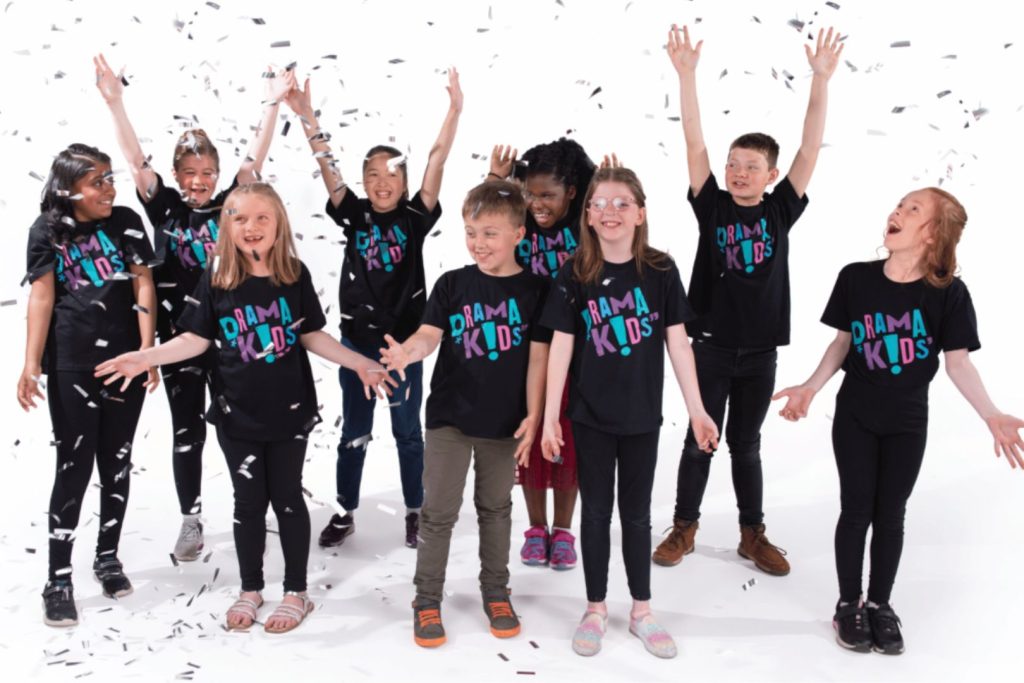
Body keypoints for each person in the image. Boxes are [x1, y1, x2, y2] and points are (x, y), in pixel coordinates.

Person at [95, 183, 394, 634]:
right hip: (236, 412)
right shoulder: (216, 276)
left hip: (289, 411)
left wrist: (360, 363)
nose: (251, 227)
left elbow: (312, 334)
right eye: (240, 219)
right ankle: (251, 588)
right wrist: (144, 355)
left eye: (261, 218)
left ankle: (296, 592)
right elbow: (195, 339)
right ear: (226, 227)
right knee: (248, 502)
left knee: (288, 498)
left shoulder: (294, 273)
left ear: (279, 224)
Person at [772, 188, 1024, 655]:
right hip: (856, 415)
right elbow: (844, 343)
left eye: (913, 211)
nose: (897, 212)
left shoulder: (948, 294)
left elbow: (958, 364)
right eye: (899, 205)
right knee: (856, 509)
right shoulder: (856, 278)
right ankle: (849, 603)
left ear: (933, 236)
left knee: (891, 514)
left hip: (908, 420)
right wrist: (810, 387)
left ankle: (881, 605)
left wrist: (991, 414)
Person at [653, 25, 843, 575]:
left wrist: (820, 80)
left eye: (750, 167)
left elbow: (810, 145)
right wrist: (686, 76)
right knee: (699, 439)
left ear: (772, 175)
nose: (737, 173)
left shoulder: (781, 209)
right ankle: (684, 527)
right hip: (708, 346)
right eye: (733, 164)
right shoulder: (711, 206)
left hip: (760, 352)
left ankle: (751, 533)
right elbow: (694, 143)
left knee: (747, 444)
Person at [93, 53, 295, 561]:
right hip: (181, 339)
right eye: (189, 171)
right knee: (188, 431)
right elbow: (136, 159)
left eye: (207, 171)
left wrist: (272, 102)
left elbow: (256, 156)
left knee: (241, 427)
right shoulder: (165, 208)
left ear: (218, 173)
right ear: (178, 174)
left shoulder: (233, 205)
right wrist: (116, 103)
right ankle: (191, 519)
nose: (198, 180)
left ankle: (255, 507)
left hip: (232, 340)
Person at [540, 167, 718, 658]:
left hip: (642, 418)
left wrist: (698, 410)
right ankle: (595, 608)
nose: (610, 211)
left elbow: (679, 345)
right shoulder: (575, 271)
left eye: (622, 203)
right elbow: (560, 345)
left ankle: (641, 610)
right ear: (588, 217)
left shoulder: (660, 270)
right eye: (599, 203)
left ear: (640, 214)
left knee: (636, 516)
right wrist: (552, 415)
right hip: (590, 416)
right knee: (596, 513)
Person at [285, 68, 462, 549]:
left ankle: (414, 509)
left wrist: (454, 111)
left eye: (393, 174)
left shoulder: (416, 218)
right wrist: (306, 116)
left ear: (405, 182)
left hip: (403, 345)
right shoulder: (354, 213)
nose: (383, 182)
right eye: (373, 175)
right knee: (354, 434)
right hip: (358, 344)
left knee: (408, 433)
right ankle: (345, 510)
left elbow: (437, 159)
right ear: (363, 182)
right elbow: (327, 165)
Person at [379, 181, 550, 648]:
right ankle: (426, 599)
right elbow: (429, 335)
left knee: (496, 510)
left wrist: (535, 416)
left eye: (490, 233)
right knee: (438, 514)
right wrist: (407, 354)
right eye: (471, 232)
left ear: (519, 233)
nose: (478, 243)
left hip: (504, 425)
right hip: (449, 420)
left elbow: (539, 360)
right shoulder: (452, 283)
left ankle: (496, 591)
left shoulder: (537, 290)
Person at [19, 144, 158, 627]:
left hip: (125, 362)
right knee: (74, 466)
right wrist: (30, 365)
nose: (108, 188)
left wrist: (146, 352)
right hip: (72, 364)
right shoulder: (47, 231)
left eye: (109, 178)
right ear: (68, 187)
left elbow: (143, 282)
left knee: (117, 462)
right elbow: (41, 297)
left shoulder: (125, 221)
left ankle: (107, 558)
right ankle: (57, 579)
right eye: (96, 181)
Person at [488, 138, 595, 570]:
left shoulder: (585, 225)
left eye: (548, 195)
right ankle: (536, 528)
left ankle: (564, 530)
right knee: (529, 436)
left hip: (577, 346)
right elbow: (486, 218)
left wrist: (609, 181)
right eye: (530, 193)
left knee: (567, 438)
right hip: (526, 345)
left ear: (572, 192)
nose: (537, 203)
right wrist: (497, 179)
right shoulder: (521, 220)